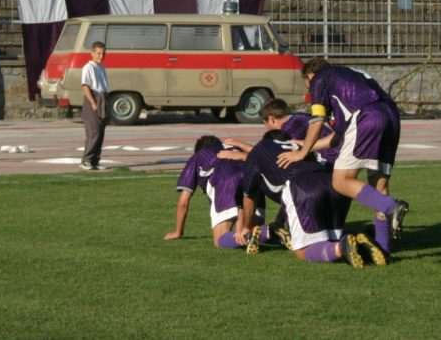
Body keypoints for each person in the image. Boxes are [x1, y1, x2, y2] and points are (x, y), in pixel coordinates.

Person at [277, 59, 408, 258]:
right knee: (379, 188)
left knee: (340, 181)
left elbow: (317, 120)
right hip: (390, 115)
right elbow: (336, 137)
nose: (311, 91)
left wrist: (302, 153)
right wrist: (304, 144)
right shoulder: (348, 77)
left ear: (310, 77)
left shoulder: (319, 79)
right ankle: (384, 249)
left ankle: (391, 207)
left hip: (366, 116)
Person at [237, 129, 378, 268]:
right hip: (332, 184)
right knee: (330, 238)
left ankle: (341, 248)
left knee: (302, 250)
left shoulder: (259, 149)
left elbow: (249, 197)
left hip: (302, 187)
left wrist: (245, 227)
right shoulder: (297, 145)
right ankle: (362, 243)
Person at [164, 135, 267, 250]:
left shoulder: (198, 155)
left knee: (220, 240)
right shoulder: (235, 147)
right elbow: (262, 156)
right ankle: (273, 231)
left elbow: (183, 201)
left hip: (226, 181)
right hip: (254, 179)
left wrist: (178, 232)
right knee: (256, 228)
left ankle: (249, 237)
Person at [79, 41, 109, 171]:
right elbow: (85, 86)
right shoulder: (88, 67)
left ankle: (95, 160)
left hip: (102, 98)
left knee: (100, 132)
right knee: (93, 132)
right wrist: (93, 103)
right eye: (98, 53)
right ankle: (86, 160)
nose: (101, 56)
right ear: (92, 53)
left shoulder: (101, 68)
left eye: (103, 53)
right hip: (93, 99)